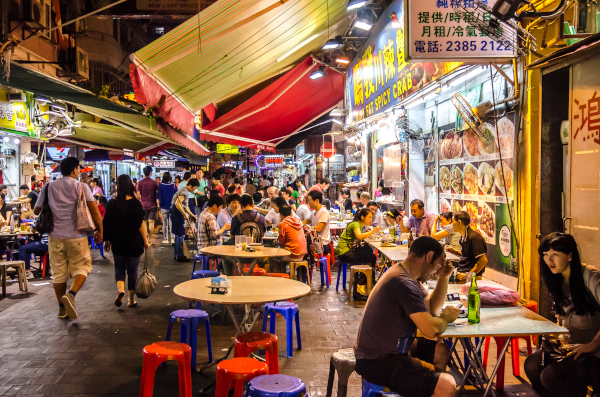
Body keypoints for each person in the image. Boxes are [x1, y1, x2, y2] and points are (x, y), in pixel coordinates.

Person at [354, 237, 460, 397]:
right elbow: (430, 329)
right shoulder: (402, 282)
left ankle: (428, 388)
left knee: (440, 351)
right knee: (447, 384)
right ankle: (436, 388)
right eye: (439, 264)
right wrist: (446, 318)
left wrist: (443, 277)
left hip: (391, 351)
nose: (436, 271)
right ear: (429, 256)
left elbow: (431, 310)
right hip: (377, 361)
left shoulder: (408, 277)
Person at [524, 233, 600, 397]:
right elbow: (562, 317)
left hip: (594, 351)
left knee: (550, 375)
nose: (549, 260)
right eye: (545, 255)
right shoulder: (557, 279)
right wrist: (559, 336)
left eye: (555, 254)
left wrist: (592, 345)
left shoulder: (590, 276)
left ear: (570, 255)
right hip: (572, 348)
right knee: (532, 364)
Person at [33, 157, 104, 320]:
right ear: (73, 170)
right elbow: (94, 211)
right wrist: (100, 231)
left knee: (58, 274)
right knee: (82, 268)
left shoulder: (49, 186)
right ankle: (71, 295)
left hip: (54, 236)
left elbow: (36, 211)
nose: (79, 171)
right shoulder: (81, 187)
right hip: (77, 236)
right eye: (79, 169)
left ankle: (61, 308)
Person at [103, 175, 149, 308]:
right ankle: (130, 300)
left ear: (118, 186)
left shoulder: (113, 203)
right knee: (133, 270)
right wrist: (145, 241)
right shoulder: (136, 203)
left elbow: (107, 223)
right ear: (130, 186)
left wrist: (107, 240)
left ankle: (120, 289)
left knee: (119, 267)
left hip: (117, 241)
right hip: (134, 241)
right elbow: (141, 224)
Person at [221, 194, 267, 275]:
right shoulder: (261, 218)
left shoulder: (236, 218)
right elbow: (263, 235)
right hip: (258, 255)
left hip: (239, 255)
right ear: (253, 204)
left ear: (240, 205)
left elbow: (232, 237)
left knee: (224, 257)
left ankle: (230, 277)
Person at [445, 211, 487, 281]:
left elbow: (483, 260)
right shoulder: (463, 237)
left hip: (470, 278)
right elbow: (468, 255)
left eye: (453, 221)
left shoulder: (474, 238)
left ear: (459, 223)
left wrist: (469, 275)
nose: (451, 224)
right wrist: (454, 251)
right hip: (461, 273)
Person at [171, 179, 200, 262]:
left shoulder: (184, 190)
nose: (194, 189)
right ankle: (180, 256)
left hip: (176, 212)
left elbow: (185, 206)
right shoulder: (184, 191)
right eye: (194, 187)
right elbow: (177, 203)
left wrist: (192, 215)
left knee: (178, 235)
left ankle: (177, 255)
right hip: (177, 212)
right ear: (190, 185)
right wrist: (184, 214)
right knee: (180, 235)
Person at [304, 190, 331, 255]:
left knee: (304, 252)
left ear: (316, 201)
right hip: (315, 243)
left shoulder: (323, 212)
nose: (308, 202)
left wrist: (306, 227)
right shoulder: (314, 212)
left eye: (310, 200)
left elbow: (318, 229)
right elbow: (305, 221)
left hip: (322, 245)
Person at [136, 166, 159, 243]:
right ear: (150, 173)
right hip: (152, 204)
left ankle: (145, 239)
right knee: (151, 222)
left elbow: (138, 196)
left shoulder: (140, 183)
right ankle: (150, 239)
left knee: (144, 222)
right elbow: (157, 194)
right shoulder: (154, 182)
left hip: (143, 205)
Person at [158, 172, 176, 245]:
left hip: (163, 207)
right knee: (171, 223)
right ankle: (172, 238)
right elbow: (176, 196)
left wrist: (159, 206)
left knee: (165, 224)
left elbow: (159, 197)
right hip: (172, 207)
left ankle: (165, 239)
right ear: (170, 178)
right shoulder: (173, 186)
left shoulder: (160, 186)